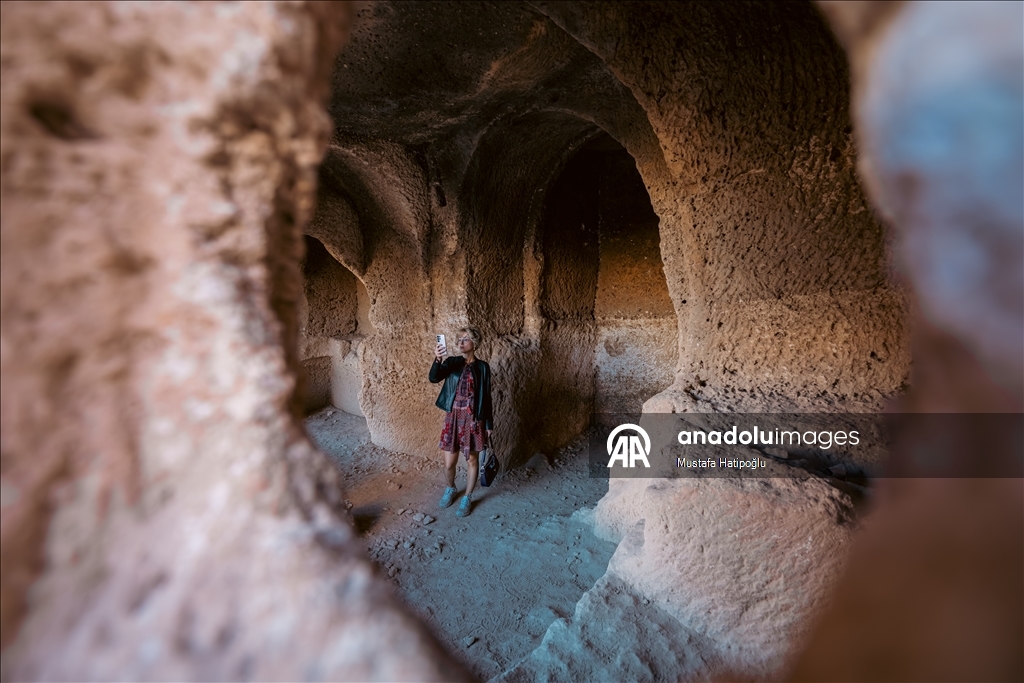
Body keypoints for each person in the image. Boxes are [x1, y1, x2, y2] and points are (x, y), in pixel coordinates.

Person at [429, 327, 493, 517]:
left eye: (466, 339)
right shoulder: (452, 362)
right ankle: (451, 488)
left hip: (473, 419)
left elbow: (487, 398)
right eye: (459, 339)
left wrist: (489, 425)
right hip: (454, 417)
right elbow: (434, 378)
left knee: (472, 460)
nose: (461, 342)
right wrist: (438, 359)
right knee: (449, 463)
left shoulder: (483, 367)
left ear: (475, 343)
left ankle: (467, 497)